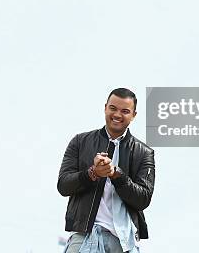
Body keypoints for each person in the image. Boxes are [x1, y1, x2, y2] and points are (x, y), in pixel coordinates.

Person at [57, 88, 155, 253]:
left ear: (133, 115)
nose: (117, 114)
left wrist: (117, 175)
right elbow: (63, 186)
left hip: (124, 241)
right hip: (85, 235)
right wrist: (92, 173)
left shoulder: (144, 152)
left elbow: (143, 199)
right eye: (113, 108)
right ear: (105, 107)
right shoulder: (80, 141)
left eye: (125, 111)